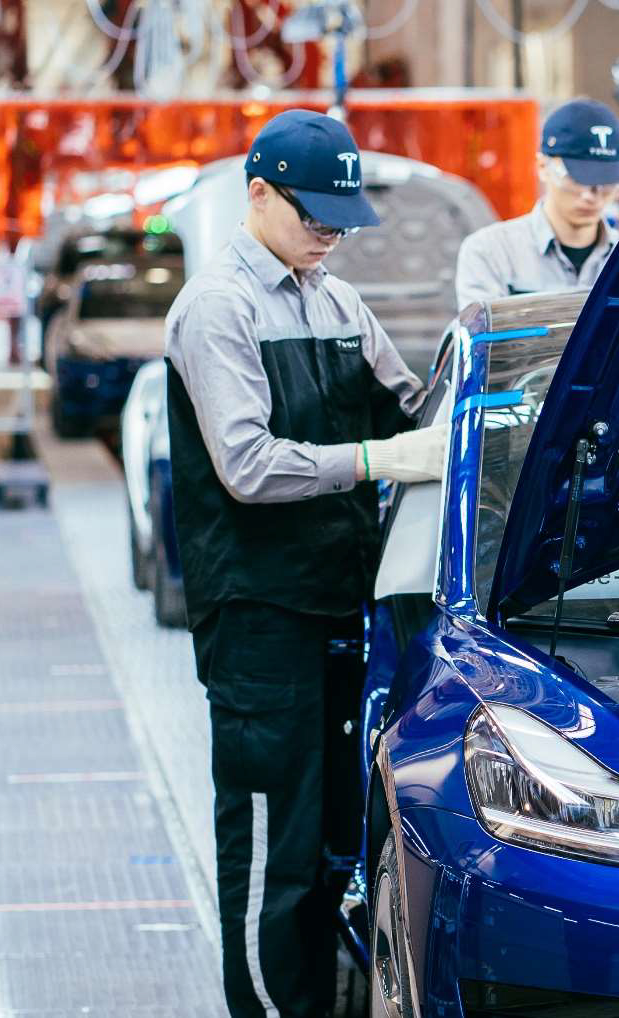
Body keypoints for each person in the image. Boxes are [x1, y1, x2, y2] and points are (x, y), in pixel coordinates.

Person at [164, 109, 448, 1017]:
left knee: (331, 837)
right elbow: (247, 466)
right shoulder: (219, 308)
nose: (329, 235)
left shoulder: (334, 298)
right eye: (314, 216)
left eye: (339, 220)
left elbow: (410, 405)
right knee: (271, 847)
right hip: (258, 616)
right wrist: (374, 460)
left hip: (336, 600)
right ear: (258, 194)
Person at [454, 98, 619, 309]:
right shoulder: (491, 253)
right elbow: (489, 340)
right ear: (542, 166)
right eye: (578, 178)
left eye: (606, 181)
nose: (591, 195)